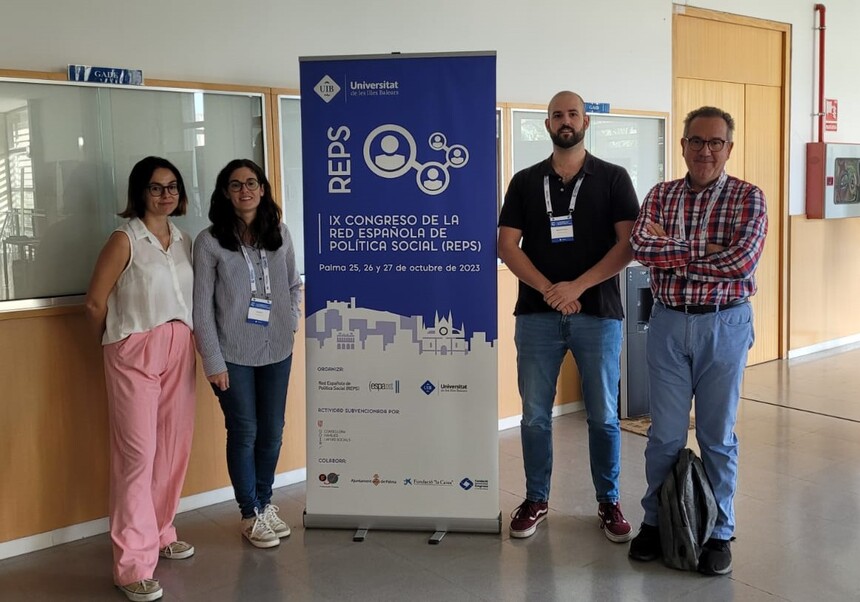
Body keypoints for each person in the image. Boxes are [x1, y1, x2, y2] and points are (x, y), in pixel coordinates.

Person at [627, 106, 768, 575]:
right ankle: (654, 520)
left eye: (715, 143)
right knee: (664, 435)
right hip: (667, 323)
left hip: (724, 326)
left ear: (729, 148)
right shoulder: (661, 194)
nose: (705, 151)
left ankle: (720, 531)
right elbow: (643, 249)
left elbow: (741, 263)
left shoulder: (750, 198)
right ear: (682, 144)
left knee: (716, 437)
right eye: (696, 141)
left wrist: (676, 248)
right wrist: (706, 247)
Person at [498, 91, 640, 542]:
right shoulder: (524, 181)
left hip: (598, 314)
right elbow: (506, 246)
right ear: (546, 125)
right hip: (537, 315)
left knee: (603, 416)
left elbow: (629, 246)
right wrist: (549, 290)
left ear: (586, 122)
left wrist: (576, 287)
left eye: (573, 113)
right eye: (557, 114)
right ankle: (536, 498)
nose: (565, 120)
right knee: (535, 415)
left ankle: (609, 501)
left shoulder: (614, 178)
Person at [85, 156, 196, 602]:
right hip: (134, 350)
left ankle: (162, 531)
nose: (165, 195)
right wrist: (115, 345)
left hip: (179, 348)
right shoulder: (123, 239)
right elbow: (94, 304)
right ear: (140, 192)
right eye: (156, 187)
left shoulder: (184, 239)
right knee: (138, 457)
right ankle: (132, 565)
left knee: (172, 449)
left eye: (172, 187)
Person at [193, 159, 301, 549]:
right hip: (232, 353)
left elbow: (293, 284)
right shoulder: (209, 241)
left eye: (251, 183)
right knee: (245, 431)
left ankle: (266, 503)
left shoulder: (281, 233)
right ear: (225, 192)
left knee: (272, 431)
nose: (245, 190)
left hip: (277, 348)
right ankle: (249, 512)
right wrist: (212, 360)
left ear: (262, 188)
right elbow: (201, 307)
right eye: (235, 184)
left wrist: (291, 321)